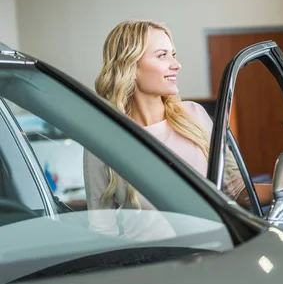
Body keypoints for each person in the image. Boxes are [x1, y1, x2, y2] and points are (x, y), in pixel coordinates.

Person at [84, 20, 272, 238]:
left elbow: (239, 192)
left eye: (173, 54)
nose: (176, 64)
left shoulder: (194, 115)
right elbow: (102, 230)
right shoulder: (103, 140)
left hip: (215, 257)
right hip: (154, 267)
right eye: (162, 55)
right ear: (131, 66)